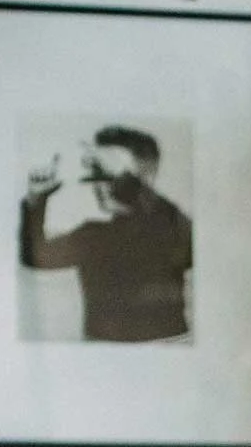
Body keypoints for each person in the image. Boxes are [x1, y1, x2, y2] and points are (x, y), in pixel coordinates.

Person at [19, 125, 193, 342]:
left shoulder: (171, 228)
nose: (100, 185)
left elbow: (184, 243)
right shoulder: (92, 236)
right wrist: (36, 199)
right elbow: (35, 256)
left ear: (146, 178)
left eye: (110, 174)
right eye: (97, 174)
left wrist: (125, 180)